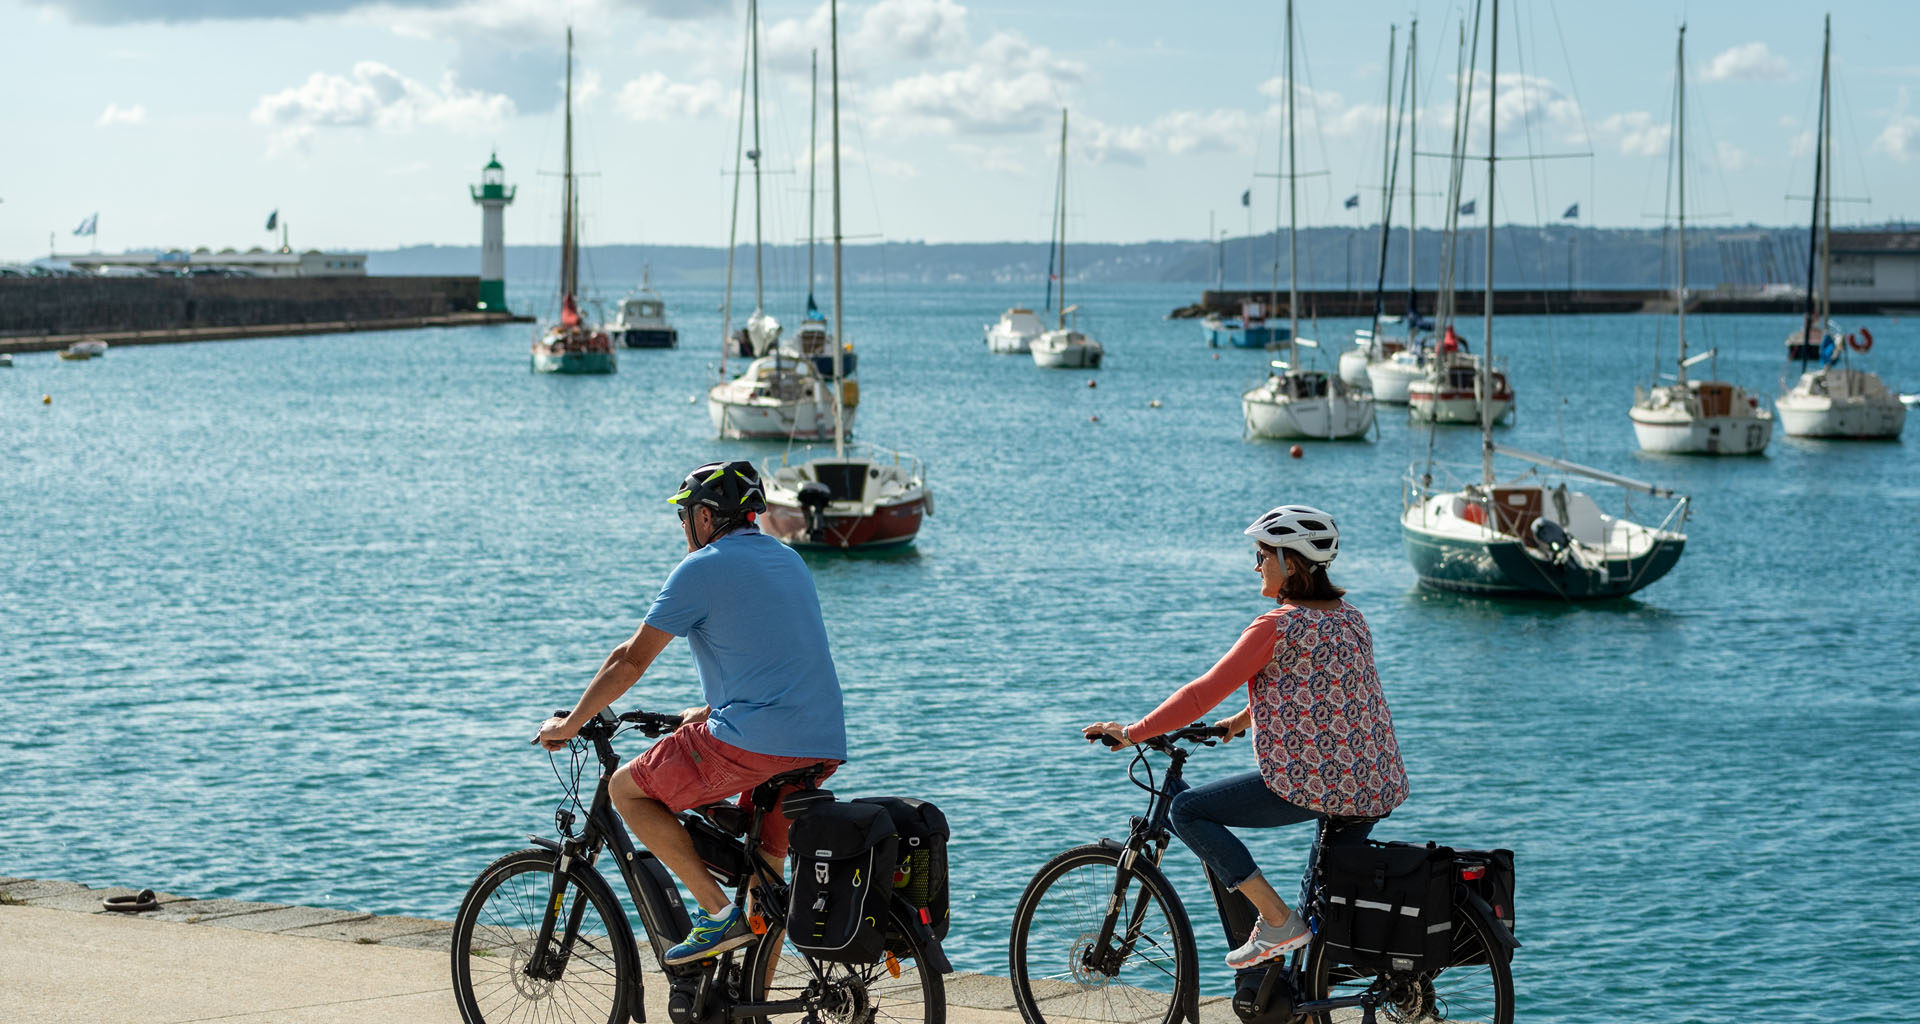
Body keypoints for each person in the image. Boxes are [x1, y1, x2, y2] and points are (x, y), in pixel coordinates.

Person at [535, 460, 847, 965]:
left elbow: (630, 659)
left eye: (684, 516)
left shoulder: (702, 567)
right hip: (820, 741)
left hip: (754, 742)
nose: (682, 527)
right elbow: (776, 659)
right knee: (764, 890)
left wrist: (569, 725)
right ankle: (751, 1011)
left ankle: (715, 912)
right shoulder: (790, 561)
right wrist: (707, 711)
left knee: (625, 790)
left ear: (704, 517)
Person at [1084, 505, 1408, 969]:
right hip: (1374, 784)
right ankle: (1303, 994)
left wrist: (1133, 732)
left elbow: (1200, 695)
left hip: (1318, 786)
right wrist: (1238, 723)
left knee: (1186, 810)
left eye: (1261, 555)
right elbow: (1319, 692)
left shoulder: (1276, 625)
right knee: (1316, 922)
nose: (1256, 565)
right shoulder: (1349, 618)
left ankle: (1274, 918)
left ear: (1289, 563)